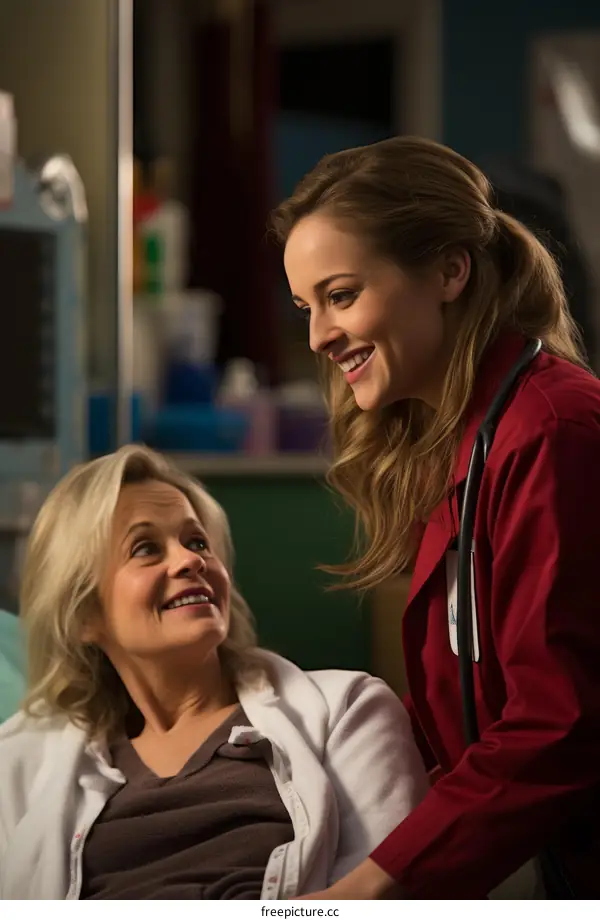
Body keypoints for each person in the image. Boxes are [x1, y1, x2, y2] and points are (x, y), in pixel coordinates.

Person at [272, 135, 600, 899]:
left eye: (341, 296)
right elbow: (468, 706)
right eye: (307, 307)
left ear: (451, 271)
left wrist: (370, 888)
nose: (318, 337)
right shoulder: (464, 444)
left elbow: (560, 724)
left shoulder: (552, 432)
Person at [0, 445, 428, 900]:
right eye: (146, 549)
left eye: (197, 542)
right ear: (85, 614)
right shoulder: (20, 768)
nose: (191, 561)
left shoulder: (348, 712)